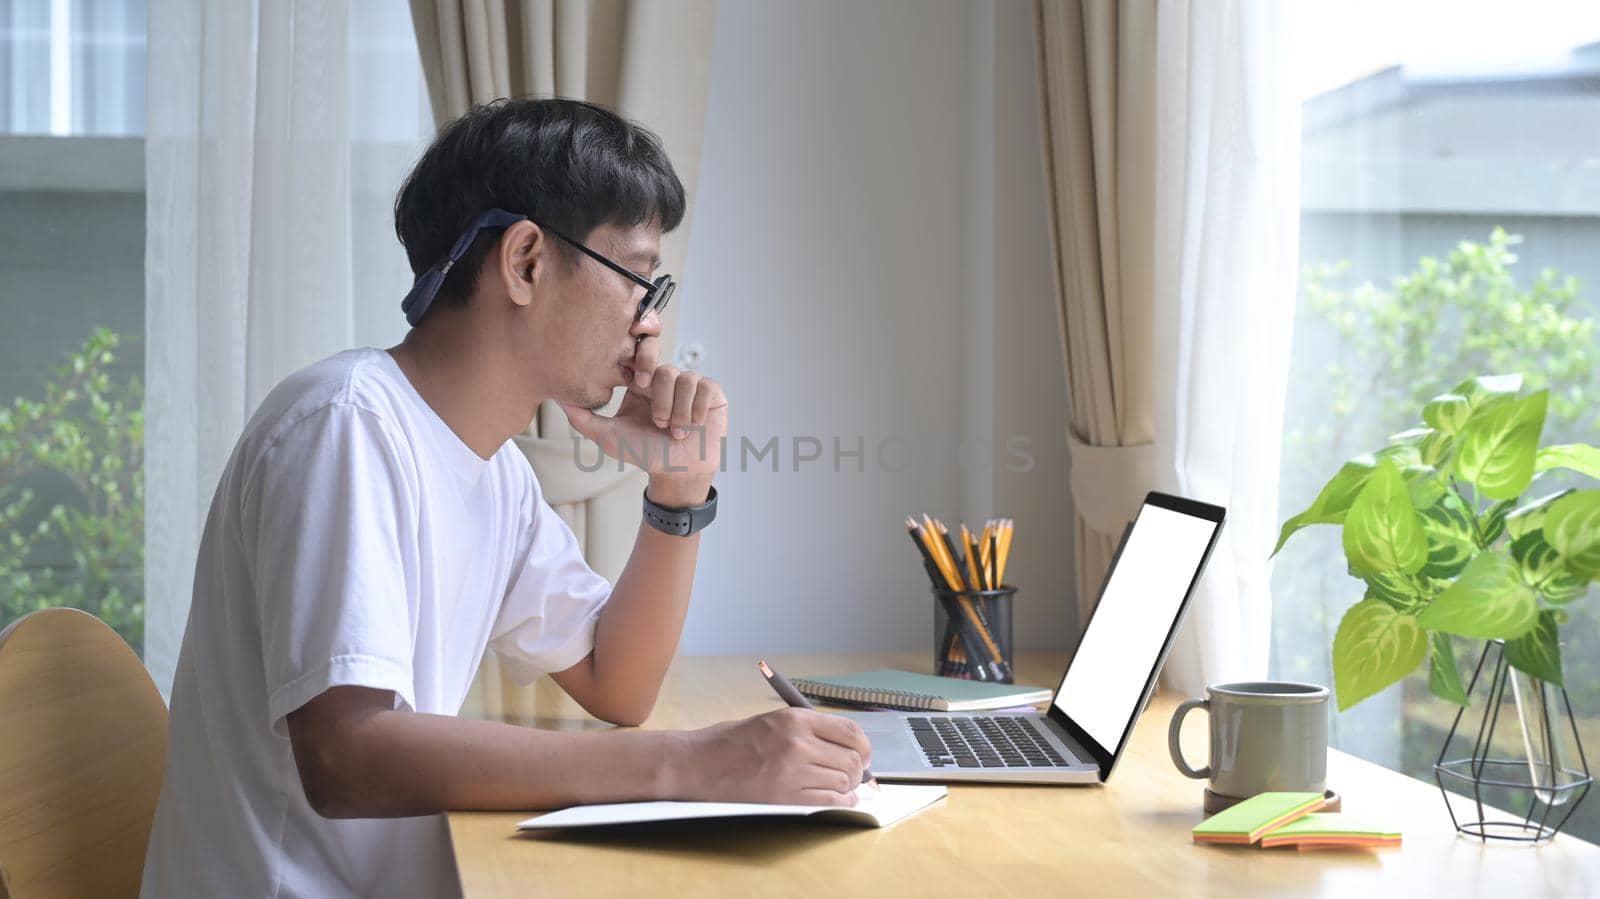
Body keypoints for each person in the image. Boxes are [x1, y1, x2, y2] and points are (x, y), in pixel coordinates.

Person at [141, 98, 873, 899]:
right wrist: (695, 762)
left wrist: (679, 487)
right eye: (639, 279)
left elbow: (616, 683)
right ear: (525, 261)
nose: (650, 326)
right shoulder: (346, 425)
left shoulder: (493, 472)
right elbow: (346, 758)